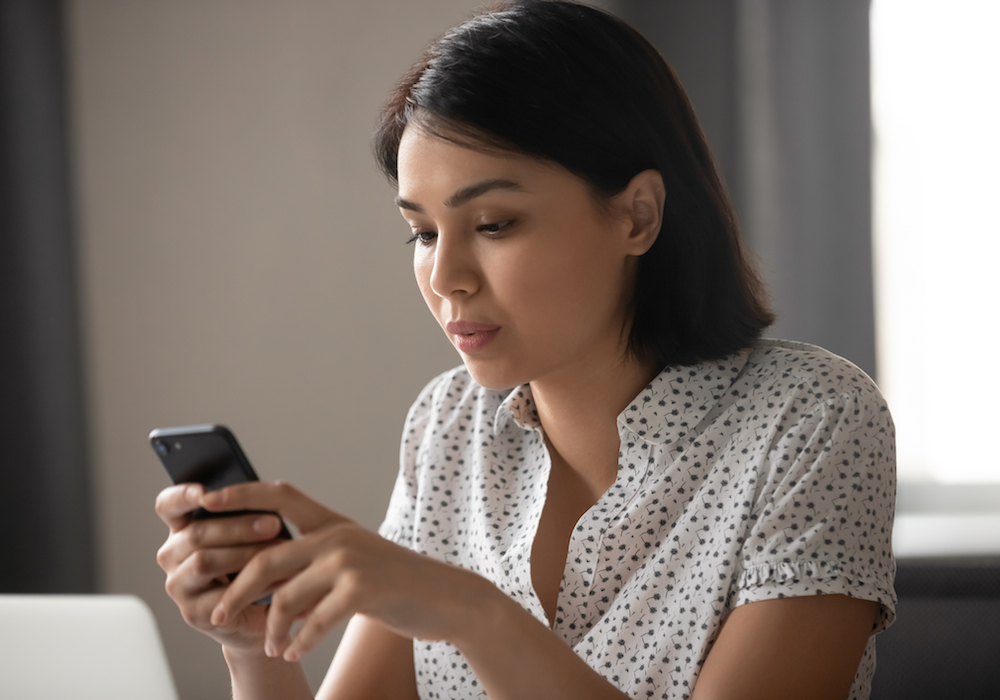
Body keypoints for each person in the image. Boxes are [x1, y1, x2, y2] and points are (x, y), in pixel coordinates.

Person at [154, 1, 896, 698]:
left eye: (495, 223)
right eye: (422, 232)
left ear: (638, 216)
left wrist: (469, 611)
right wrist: (254, 647)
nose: (446, 278)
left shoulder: (813, 418)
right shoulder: (449, 424)